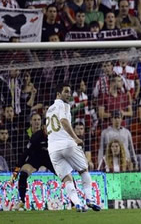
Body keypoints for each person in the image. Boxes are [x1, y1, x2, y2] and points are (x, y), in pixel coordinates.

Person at [46, 84, 101, 212]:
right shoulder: (63, 105)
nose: (69, 94)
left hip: (53, 149)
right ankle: (89, 199)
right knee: (84, 169)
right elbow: (64, 121)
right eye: (66, 92)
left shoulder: (49, 109)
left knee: (66, 178)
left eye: (70, 92)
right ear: (58, 94)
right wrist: (75, 137)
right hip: (66, 143)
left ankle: (77, 204)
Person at [10, 116, 56, 210]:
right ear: (44, 127)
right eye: (47, 127)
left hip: (50, 159)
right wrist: (15, 172)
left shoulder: (56, 137)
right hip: (36, 158)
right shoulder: (36, 137)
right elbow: (25, 154)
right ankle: (21, 201)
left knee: (65, 174)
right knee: (23, 173)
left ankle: (74, 202)